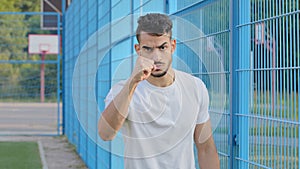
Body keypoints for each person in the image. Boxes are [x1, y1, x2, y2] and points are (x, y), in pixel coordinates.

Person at [98, 13, 220, 169]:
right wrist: (132, 83)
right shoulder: (123, 90)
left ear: (173, 46)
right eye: (148, 49)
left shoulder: (195, 87)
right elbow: (105, 134)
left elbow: (206, 149)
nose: (156, 57)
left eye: (162, 47)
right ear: (138, 50)